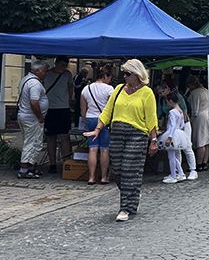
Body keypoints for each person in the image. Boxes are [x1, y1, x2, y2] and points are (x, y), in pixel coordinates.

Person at [84, 59, 158, 223]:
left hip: (137, 134)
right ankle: (132, 194)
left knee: (129, 170)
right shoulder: (118, 90)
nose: (124, 76)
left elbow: (151, 118)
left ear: (138, 75)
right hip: (117, 133)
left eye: (127, 74)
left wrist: (153, 139)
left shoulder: (147, 93)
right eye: (123, 73)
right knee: (116, 170)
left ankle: (125, 207)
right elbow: (107, 111)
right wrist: (98, 129)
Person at [80, 66, 115, 185]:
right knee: (104, 149)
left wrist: (85, 120)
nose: (110, 80)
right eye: (110, 77)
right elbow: (112, 108)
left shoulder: (86, 88)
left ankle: (91, 177)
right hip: (104, 120)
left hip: (90, 118)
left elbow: (83, 108)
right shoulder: (109, 89)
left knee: (92, 148)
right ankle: (104, 177)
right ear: (105, 76)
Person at [16, 59, 51, 179]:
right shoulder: (35, 84)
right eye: (44, 71)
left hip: (25, 116)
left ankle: (31, 166)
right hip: (32, 118)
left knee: (32, 141)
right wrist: (40, 117)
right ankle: (24, 169)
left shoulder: (25, 79)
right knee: (31, 143)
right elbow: (34, 102)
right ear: (37, 70)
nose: (46, 74)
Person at [43, 56, 75, 174]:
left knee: (64, 137)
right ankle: (52, 164)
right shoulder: (47, 74)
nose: (63, 67)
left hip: (63, 108)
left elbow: (70, 88)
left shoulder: (67, 74)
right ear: (56, 63)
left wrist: (69, 101)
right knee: (51, 138)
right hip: (50, 109)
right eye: (61, 65)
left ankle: (66, 162)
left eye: (65, 65)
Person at [160, 91, 196, 182]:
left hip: (172, 134)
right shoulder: (180, 111)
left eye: (167, 101)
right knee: (175, 155)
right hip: (179, 133)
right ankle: (180, 173)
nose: (167, 103)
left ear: (170, 101)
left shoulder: (172, 112)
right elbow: (181, 124)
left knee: (171, 155)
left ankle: (173, 175)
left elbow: (172, 125)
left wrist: (170, 136)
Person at [186, 75, 209, 173]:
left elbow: (195, 110)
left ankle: (198, 164)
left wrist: (191, 120)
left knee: (200, 141)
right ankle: (204, 162)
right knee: (208, 141)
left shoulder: (195, 93)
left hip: (200, 116)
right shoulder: (206, 91)